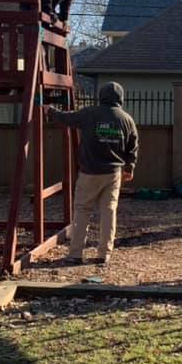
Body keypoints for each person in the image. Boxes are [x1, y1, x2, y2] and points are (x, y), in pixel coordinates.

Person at [46, 82, 139, 265]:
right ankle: (104, 254)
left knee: (82, 211)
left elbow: (67, 119)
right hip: (113, 173)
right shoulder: (127, 119)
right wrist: (129, 168)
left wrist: (50, 110)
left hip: (89, 171)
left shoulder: (90, 113)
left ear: (101, 96)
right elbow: (133, 146)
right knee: (109, 211)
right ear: (120, 98)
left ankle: (75, 254)